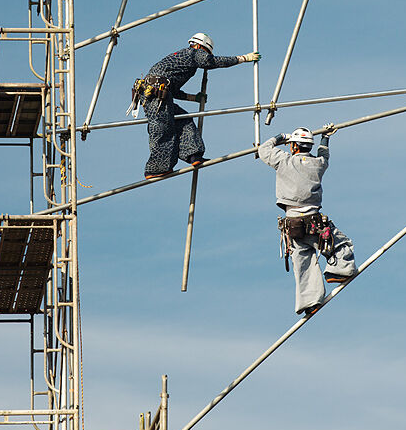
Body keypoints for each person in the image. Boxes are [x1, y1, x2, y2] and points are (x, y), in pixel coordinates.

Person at [258, 125, 357, 316]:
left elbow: (264, 149)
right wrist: (325, 139)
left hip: (292, 224)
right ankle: (340, 270)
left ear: (293, 146)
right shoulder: (317, 164)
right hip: (314, 222)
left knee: (303, 262)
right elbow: (324, 157)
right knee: (341, 244)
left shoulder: (284, 160)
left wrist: (281, 136)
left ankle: (310, 301)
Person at [132, 33, 261, 179]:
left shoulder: (179, 59)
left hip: (160, 92)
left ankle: (194, 155)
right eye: (205, 52)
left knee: (183, 120)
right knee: (162, 128)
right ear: (200, 46)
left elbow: (172, 90)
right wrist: (242, 59)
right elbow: (210, 61)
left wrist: (193, 98)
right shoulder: (192, 52)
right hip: (156, 93)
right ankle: (155, 169)